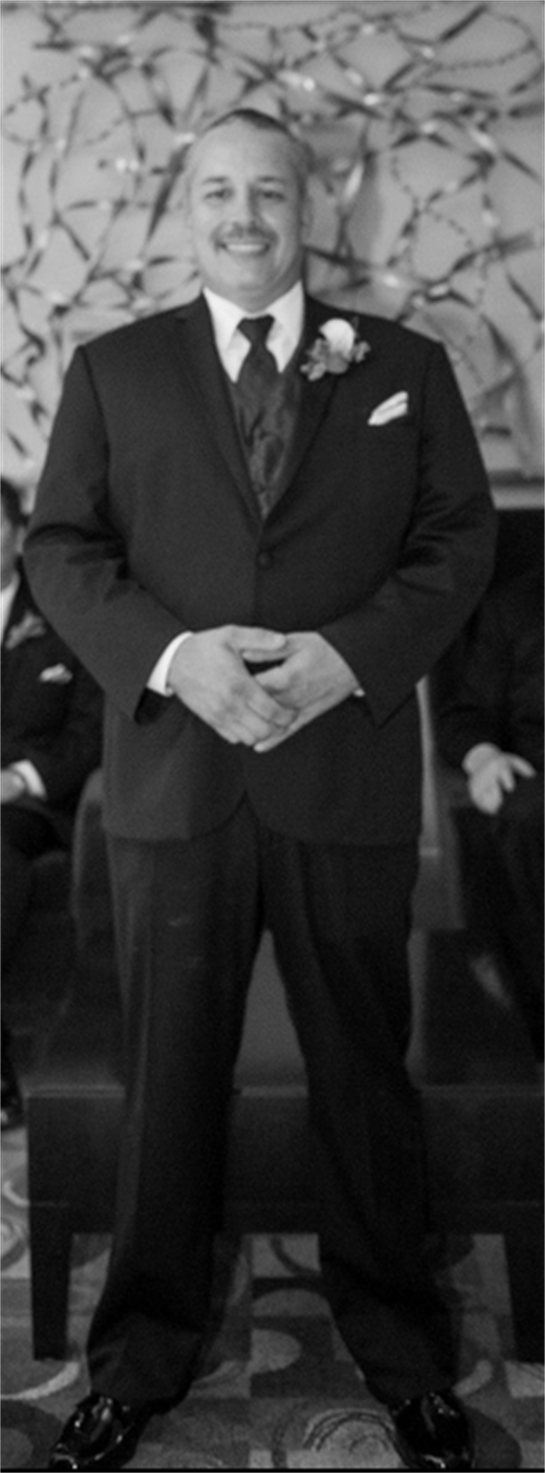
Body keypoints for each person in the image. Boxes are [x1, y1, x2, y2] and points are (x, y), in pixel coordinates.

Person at [25, 109, 496, 1472]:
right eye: (219, 191)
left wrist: (346, 660)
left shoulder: (405, 366)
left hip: (341, 779)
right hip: (173, 786)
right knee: (167, 1080)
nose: (244, 213)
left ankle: (403, 1355)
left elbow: (458, 541)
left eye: (269, 191)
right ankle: (138, 1358)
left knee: (365, 1075)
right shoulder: (115, 371)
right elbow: (60, 550)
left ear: (311, 208)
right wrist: (174, 659)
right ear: (187, 210)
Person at [0, 476, 103, 1129]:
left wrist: (22, 778)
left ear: (18, 534)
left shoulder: (61, 612)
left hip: (32, 806)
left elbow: (90, 729)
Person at [437, 561, 545, 1058]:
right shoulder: (514, 605)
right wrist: (485, 758)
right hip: (536, 783)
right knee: (522, 815)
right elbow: (466, 714)